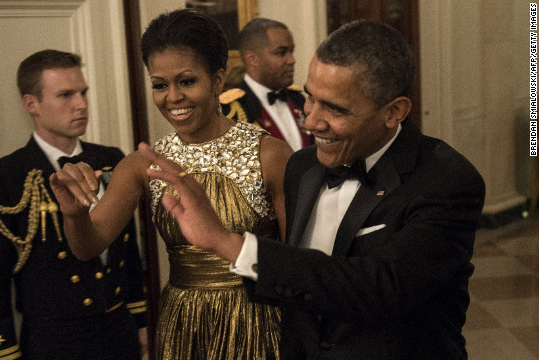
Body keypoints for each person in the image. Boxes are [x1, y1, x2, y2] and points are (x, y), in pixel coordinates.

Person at [140, 20, 486, 360]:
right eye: (310, 98)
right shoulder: (304, 167)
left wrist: (228, 242)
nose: (310, 121)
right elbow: (297, 284)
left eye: (334, 108)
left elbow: (380, 289)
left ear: (394, 112)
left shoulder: (445, 180)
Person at [50, 9, 293, 360]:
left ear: (218, 80)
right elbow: (87, 247)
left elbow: (296, 263)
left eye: (187, 81)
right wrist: (73, 214)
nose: (172, 97)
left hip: (259, 319)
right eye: (160, 85)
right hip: (183, 325)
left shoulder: (270, 154)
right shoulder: (140, 164)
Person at [0, 49, 147, 360]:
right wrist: (4, 354)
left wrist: (140, 321)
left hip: (119, 332)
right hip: (55, 342)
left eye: (83, 92)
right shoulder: (1, 179)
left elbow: (127, 250)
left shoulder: (110, 159)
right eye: (66, 95)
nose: (82, 104)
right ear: (31, 104)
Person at [220, 18, 310, 151]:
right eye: (281, 52)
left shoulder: (298, 98)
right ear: (252, 58)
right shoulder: (230, 110)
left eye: (291, 51)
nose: (291, 60)